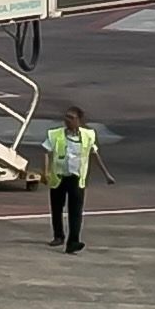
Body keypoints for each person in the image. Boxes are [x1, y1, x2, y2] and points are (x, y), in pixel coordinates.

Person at [43, 106, 110, 252]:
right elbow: (47, 152)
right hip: (59, 177)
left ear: (79, 120)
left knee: (76, 211)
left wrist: (106, 174)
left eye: (71, 118)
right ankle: (59, 235)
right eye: (66, 117)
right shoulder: (55, 134)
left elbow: (94, 154)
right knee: (57, 208)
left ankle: (73, 241)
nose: (67, 120)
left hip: (77, 178)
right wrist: (46, 172)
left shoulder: (88, 135)